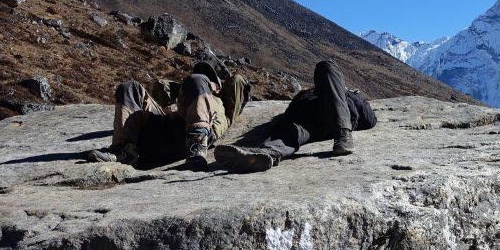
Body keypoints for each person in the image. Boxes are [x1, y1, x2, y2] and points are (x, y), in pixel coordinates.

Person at [214, 60, 375, 172]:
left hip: (332, 117)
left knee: (327, 65)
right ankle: (264, 155)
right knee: (289, 131)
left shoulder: (346, 95)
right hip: (304, 121)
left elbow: (370, 119)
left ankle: (343, 136)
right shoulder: (306, 95)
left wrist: (348, 94)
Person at [87, 61, 251, 170]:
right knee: (130, 87)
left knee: (196, 81)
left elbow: (239, 84)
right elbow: (162, 85)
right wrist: (177, 101)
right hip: (162, 131)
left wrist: (202, 84)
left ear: (217, 87)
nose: (203, 80)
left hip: (189, 137)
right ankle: (125, 150)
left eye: (209, 80)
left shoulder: (222, 104)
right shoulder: (185, 95)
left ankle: (196, 150)